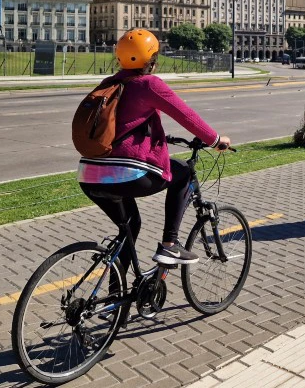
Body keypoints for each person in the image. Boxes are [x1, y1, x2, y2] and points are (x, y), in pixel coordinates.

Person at [77, 29, 231, 270]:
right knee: (184, 172)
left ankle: (116, 299)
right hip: (125, 174)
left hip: (89, 175)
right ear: (152, 60)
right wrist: (215, 140)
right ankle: (170, 244)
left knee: (130, 226)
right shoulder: (148, 84)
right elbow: (186, 116)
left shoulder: (110, 83)